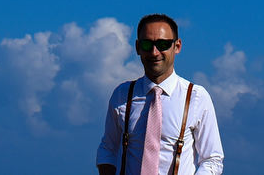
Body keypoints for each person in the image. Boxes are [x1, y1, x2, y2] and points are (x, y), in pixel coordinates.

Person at [96, 14, 224, 175]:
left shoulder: (196, 97)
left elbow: (212, 159)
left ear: (177, 46)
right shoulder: (122, 95)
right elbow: (108, 149)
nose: (154, 52)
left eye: (163, 44)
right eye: (147, 44)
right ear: (137, 47)